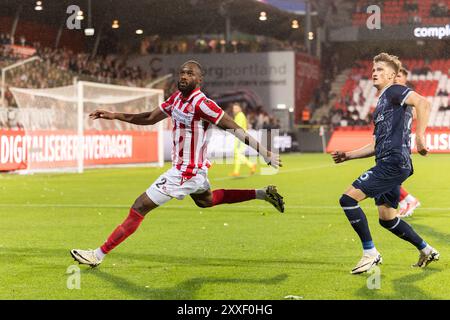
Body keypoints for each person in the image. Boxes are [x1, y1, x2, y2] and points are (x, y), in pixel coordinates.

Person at [70, 60, 285, 267]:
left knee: (140, 206)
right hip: (194, 171)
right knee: (205, 201)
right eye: (182, 72)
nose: (184, 76)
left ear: (199, 80)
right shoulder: (176, 99)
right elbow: (149, 118)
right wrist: (115, 115)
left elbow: (235, 129)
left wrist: (264, 152)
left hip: (186, 172)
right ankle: (262, 193)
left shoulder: (203, 104)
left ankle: (97, 254)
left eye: (190, 73)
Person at [331, 53, 439, 275]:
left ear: (392, 75)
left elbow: (423, 102)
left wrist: (419, 137)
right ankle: (426, 250)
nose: (374, 72)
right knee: (387, 219)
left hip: (392, 162)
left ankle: (370, 253)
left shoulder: (394, 90)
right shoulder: (383, 102)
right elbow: (375, 143)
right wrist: (349, 156)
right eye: (373, 69)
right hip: (390, 161)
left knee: (348, 199)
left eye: (380, 69)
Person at [394, 68, 421, 218]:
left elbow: (419, 112)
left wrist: (419, 135)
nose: (396, 79)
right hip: (395, 143)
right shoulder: (395, 95)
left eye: (399, 76)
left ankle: (410, 201)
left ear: (405, 78)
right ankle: (405, 203)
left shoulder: (406, 96)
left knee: (386, 177)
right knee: (390, 177)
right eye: (395, 76)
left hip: (398, 144)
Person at [230, 103, 257, 177]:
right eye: (233, 108)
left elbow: (237, 127)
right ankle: (236, 171)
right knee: (237, 154)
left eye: (236, 108)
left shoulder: (240, 115)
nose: (234, 110)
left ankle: (251, 165)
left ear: (240, 109)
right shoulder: (239, 115)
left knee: (237, 154)